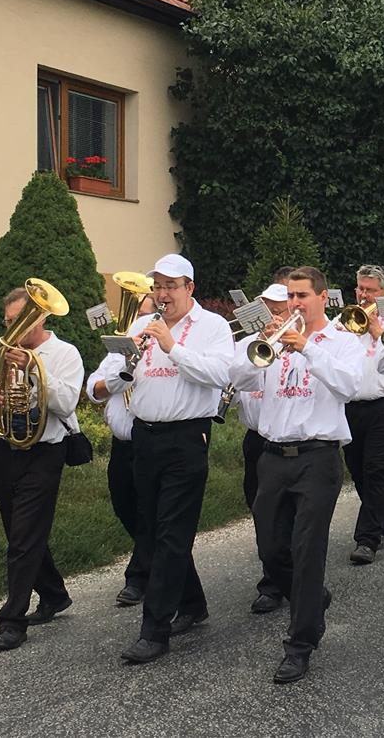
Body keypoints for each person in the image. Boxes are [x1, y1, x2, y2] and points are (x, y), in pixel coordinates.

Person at [230, 265, 364, 684]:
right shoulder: (273, 337)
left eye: (302, 296)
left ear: (322, 297)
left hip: (317, 457)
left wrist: (307, 348)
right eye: (290, 296)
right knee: (271, 549)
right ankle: (312, 598)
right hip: (273, 455)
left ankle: (300, 642)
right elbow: (237, 379)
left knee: (307, 551)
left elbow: (350, 387)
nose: (294, 303)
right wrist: (260, 343)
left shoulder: (342, 341)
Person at [102, 254, 234, 664]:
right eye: (157, 286)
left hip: (186, 438)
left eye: (170, 286)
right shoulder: (139, 325)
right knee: (155, 530)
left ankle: (154, 631)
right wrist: (117, 371)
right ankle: (193, 604)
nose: (162, 294)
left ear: (189, 288)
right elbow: (109, 376)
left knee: (173, 533)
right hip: (145, 437)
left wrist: (172, 347)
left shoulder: (213, 326)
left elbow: (220, 375)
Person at [0, 285, 84, 652]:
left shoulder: (64, 353)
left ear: (39, 318)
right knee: (19, 531)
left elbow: (67, 403)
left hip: (44, 451)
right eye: (8, 321)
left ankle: (12, 621)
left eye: (19, 321)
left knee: (24, 537)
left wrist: (35, 370)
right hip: (5, 449)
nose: (10, 329)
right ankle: (54, 593)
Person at [86, 292, 158, 608]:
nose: (138, 322)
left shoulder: (161, 351)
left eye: (144, 315)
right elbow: (94, 389)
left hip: (148, 441)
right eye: (136, 315)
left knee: (147, 510)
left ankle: (138, 577)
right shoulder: (119, 351)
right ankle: (157, 559)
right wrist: (121, 373)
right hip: (121, 445)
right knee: (123, 504)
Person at [236, 283, 292, 614]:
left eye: (278, 309)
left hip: (288, 440)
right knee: (261, 511)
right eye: (266, 308)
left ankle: (279, 582)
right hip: (256, 438)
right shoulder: (249, 343)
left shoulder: (298, 343)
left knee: (290, 516)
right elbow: (235, 379)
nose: (271, 315)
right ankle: (275, 572)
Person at [343, 264, 384, 566]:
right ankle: (382, 518)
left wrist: (378, 332)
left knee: (375, 468)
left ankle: (367, 539)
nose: (364, 295)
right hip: (350, 406)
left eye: (370, 290)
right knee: (357, 470)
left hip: (382, 405)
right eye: (361, 289)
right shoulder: (345, 321)